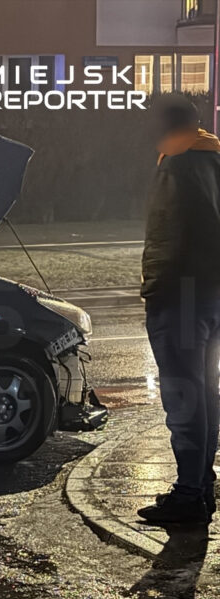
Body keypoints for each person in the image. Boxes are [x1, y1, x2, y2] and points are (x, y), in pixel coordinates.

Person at [138, 94, 220, 525]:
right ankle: (201, 486)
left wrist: (156, 290)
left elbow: (168, 237)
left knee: (185, 397)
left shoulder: (177, 166)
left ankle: (190, 495)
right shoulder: (214, 158)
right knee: (204, 393)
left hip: (180, 297)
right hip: (212, 293)